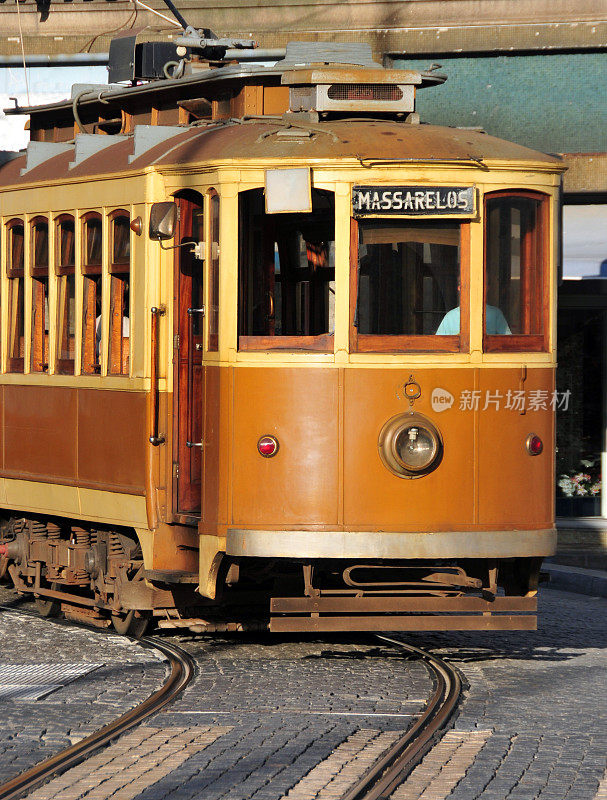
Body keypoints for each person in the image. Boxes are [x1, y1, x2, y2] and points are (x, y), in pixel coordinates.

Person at [436, 281, 511, 335]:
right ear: (459, 288)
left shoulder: (495, 314)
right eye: (468, 285)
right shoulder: (450, 316)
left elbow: (508, 342)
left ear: (487, 288)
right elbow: (439, 345)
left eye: (479, 284)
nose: (473, 289)